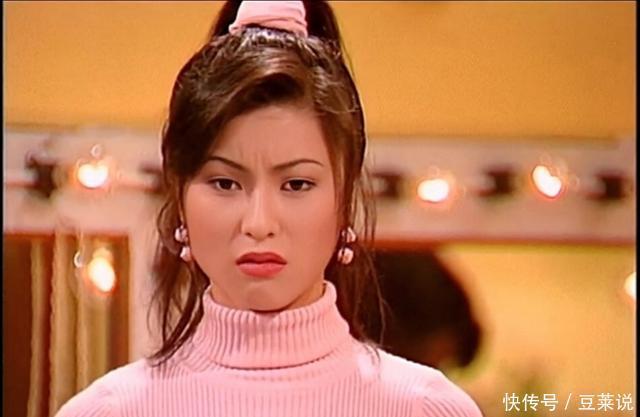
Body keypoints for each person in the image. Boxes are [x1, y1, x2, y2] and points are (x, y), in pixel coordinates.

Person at [55, 1, 483, 416]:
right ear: (179, 197)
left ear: (345, 200)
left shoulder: (425, 408)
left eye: (296, 184)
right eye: (225, 183)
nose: (259, 223)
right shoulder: (109, 410)